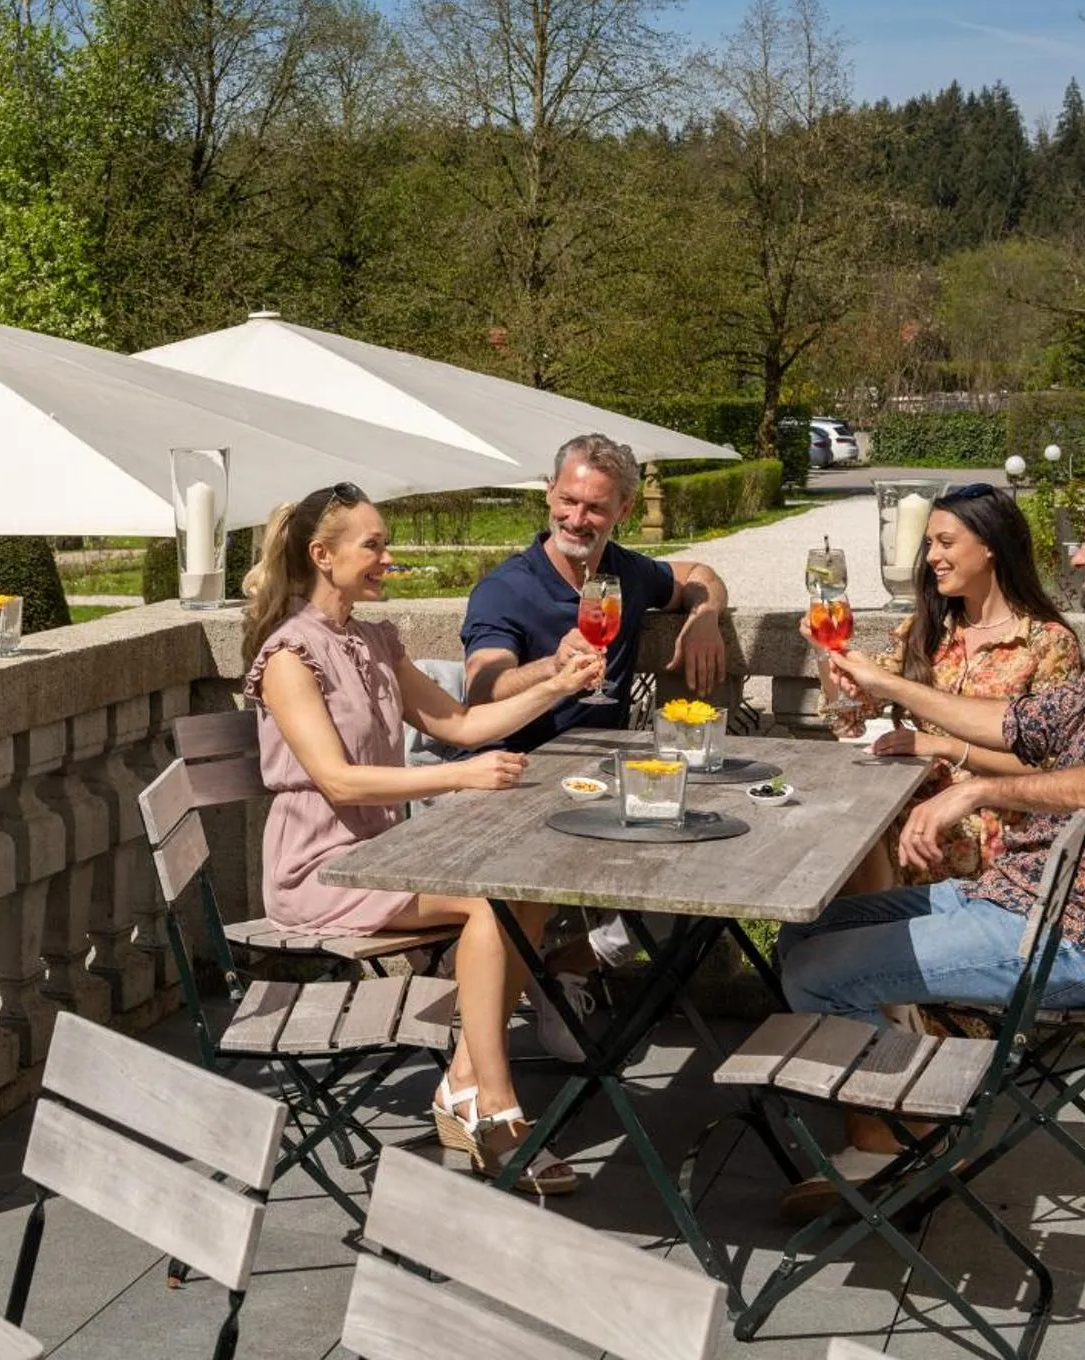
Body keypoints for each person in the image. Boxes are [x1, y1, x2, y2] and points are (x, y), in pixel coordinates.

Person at [777, 471, 1085, 1216]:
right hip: (1012, 900)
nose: (1078, 558)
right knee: (803, 931)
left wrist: (982, 788)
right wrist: (879, 682)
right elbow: (1010, 725)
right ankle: (905, 1116)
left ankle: (913, 1134)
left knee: (821, 972)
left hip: (1072, 934)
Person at [243, 481, 607, 1196]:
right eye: (373, 545)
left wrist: (559, 685)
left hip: (383, 858)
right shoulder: (291, 655)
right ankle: (495, 1110)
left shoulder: (374, 639)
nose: (387, 556)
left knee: (522, 892)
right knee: (485, 905)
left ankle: (463, 1082)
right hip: (320, 870)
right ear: (323, 555)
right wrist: (462, 779)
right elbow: (339, 782)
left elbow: (461, 724)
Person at [458, 434, 733, 1034]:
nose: (577, 518)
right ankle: (526, 1005)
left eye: (595, 508)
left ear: (623, 513)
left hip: (596, 781)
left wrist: (705, 616)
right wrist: (551, 669)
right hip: (517, 783)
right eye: (569, 500)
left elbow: (698, 573)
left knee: (706, 876)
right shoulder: (506, 588)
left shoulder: (624, 574)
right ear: (550, 492)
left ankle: (565, 967)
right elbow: (483, 687)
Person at [834, 483, 1082, 893]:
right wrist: (832, 656)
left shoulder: (1047, 643)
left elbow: (1053, 769)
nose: (931, 556)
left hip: (992, 828)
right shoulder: (926, 630)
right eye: (930, 543)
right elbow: (848, 720)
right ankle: (853, 939)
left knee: (856, 841)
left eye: (946, 542)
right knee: (838, 827)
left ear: (990, 547)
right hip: (911, 805)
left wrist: (948, 748)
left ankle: (862, 940)